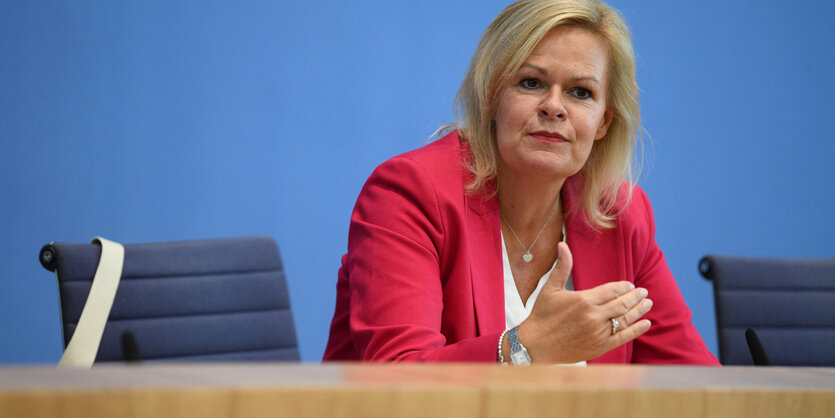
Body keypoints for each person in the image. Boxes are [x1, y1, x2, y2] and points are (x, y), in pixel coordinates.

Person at [323, 0, 719, 365]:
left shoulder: (620, 215)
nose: (554, 106)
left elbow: (694, 379)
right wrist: (522, 350)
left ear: (603, 122)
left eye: (581, 92)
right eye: (531, 83)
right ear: (492, 96)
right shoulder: (410, 192)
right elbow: (398, 375)